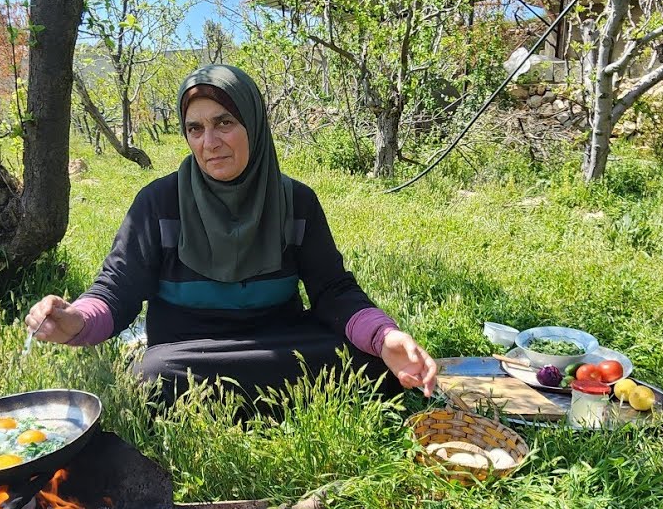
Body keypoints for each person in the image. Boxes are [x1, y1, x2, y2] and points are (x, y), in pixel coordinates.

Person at [25, 65, 437, 406]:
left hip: (282, 346)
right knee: (148, 378)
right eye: (195, 128)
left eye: (224, 122)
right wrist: (76, 320)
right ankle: (279, 401)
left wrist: (386, 336)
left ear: (253, 124)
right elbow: (118, 288)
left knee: (375, 362)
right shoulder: (159, 202)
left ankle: (244, 401)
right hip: (190, 355)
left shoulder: (297, 202)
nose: (210, 142)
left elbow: (333, 290)